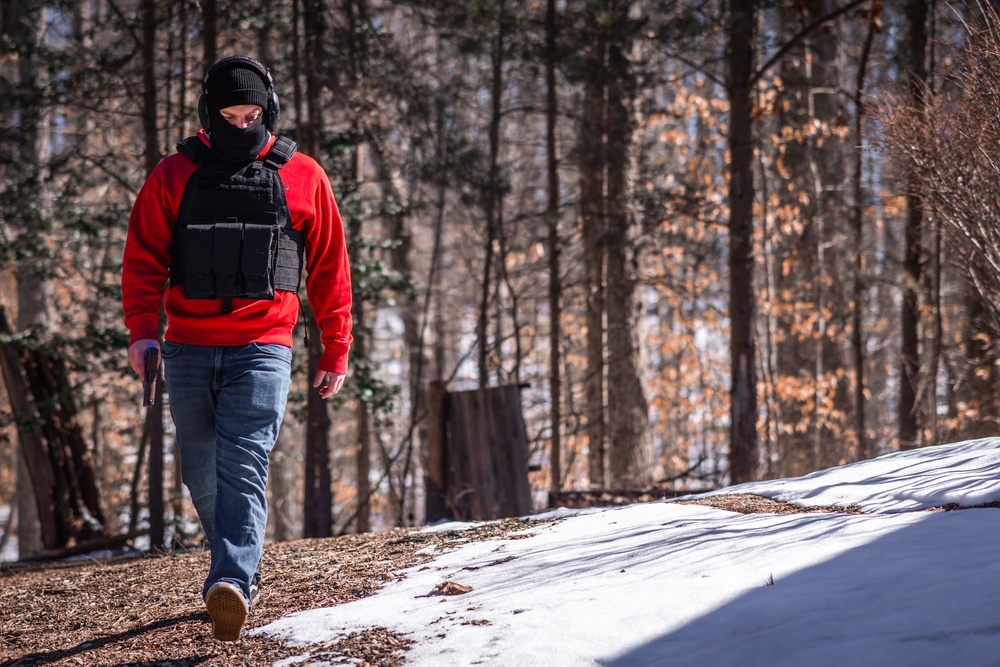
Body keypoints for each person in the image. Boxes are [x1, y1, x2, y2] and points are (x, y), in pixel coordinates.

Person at [121, 55, 352, 641]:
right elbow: (144, 257)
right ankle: (234, 560)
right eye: (230, 115)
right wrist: (142, 330)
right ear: (209, 113)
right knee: (201, 467)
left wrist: (336, 347)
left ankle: (232, 581)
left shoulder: (303, 174)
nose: (242, 124)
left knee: (245, 460)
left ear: (268, 110)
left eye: (252, 114)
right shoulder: (174, 173)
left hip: (264, 344)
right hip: (189, 345)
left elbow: (328, 267)